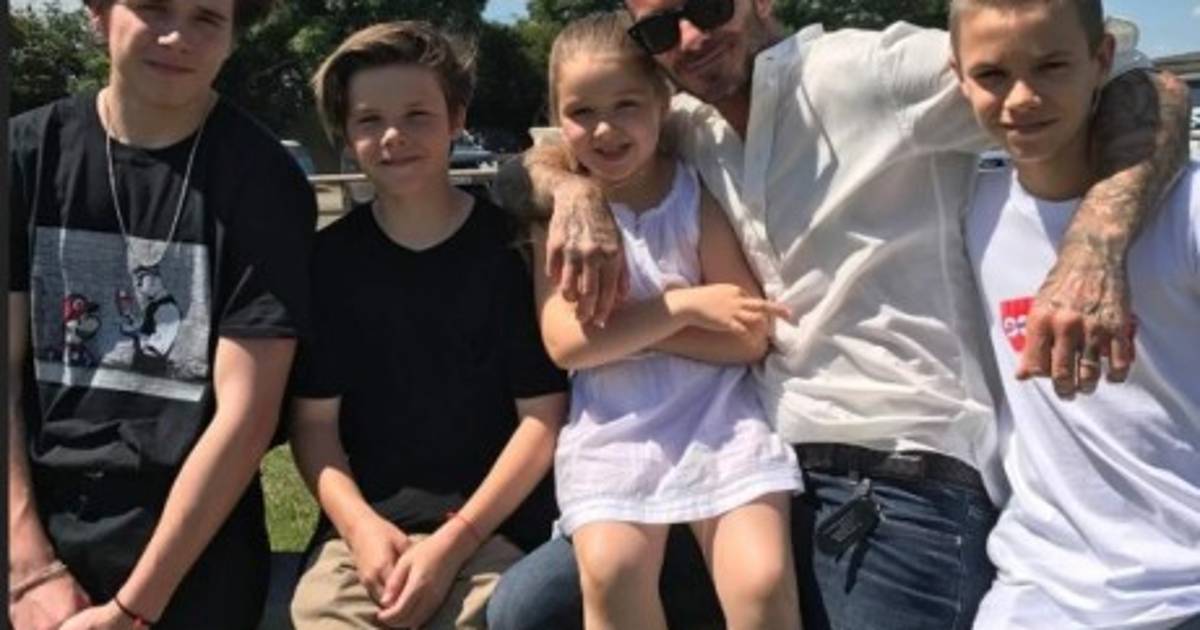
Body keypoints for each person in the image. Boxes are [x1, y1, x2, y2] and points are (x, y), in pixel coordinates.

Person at [487, 0, 1193, 627]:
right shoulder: (688, 126)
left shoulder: (868, 73)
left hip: (897, 474)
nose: (692, 37)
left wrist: (1095, 245)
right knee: (529, 607)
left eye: (710, 6)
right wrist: (574, 195)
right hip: (759, 459)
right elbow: (535, 159)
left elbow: (1141, 81)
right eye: (662, 28)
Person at [7, 0, 315, 628]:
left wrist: (132, 611)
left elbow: (247, 417)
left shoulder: (264, 180)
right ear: (98, 14)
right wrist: (30, 565)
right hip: (29, 513)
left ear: (232, 37)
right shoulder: (25, 154)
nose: (178, 37)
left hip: (188, 538)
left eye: (207, 18)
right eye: (153, 7)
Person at [287, 21, 568, 630]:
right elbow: (314, 424)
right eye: (369, 120)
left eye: (417, 115)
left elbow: (542, 418)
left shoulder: (513, 251)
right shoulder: (328, 262)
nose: (394, 136)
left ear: (456, 118)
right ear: (346, 134)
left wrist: (455, 542)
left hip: (494, 532)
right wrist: (360, 528)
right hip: (364, 538)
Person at [529, 13, 803, 630]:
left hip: (719, 420)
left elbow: (747, 337)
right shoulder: (562, 218)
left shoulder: (688, 192)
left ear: (662, 101)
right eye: (581, 112)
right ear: (557, 117)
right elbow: (568, 343)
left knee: (761, 579)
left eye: (626, 104)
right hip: (615, 429)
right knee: (612, 571)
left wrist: (623, 335)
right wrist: (681, 308)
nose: (605, 128)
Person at [950, 1, 1200, 628]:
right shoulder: (968, 209)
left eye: (1052, 66)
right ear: (958, 77)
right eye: (992, 74)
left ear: (1102, 60)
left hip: (1185, 588)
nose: (1022, 98)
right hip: (1034, 589)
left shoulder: (1189, 208)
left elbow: (1161, 91)